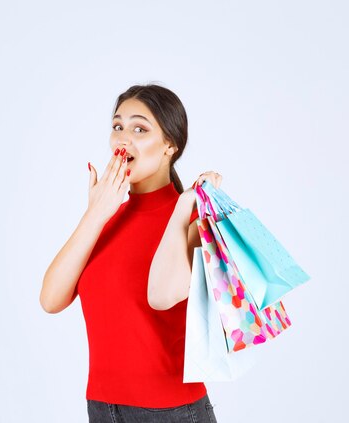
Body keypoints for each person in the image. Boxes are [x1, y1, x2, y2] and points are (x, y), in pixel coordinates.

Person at [40, 83, 222, 423]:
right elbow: (51, 299)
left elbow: (162, 296)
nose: (123, 138)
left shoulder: (193, 217)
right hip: (101, 408)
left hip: (172, 412)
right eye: (117, 126)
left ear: (170, 144)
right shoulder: (104, 221)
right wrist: (95, 214)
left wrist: (185, 208)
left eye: (140, 128)